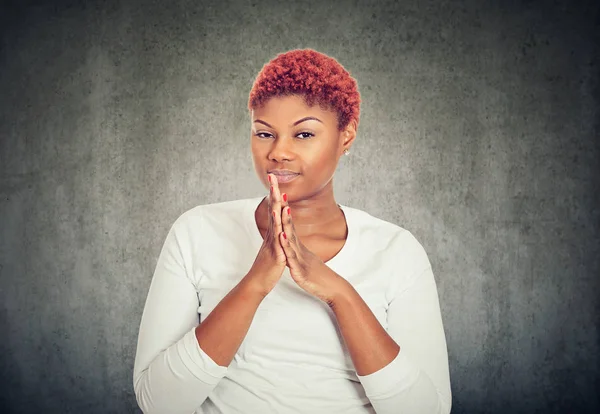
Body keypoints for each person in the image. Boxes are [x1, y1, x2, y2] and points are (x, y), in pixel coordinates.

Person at [133, 49, 451, 414]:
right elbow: (157, 403)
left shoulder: (396, 251)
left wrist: (337, 292)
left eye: (303, 134)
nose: (279, 152)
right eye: (264, 133)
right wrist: (254, 283)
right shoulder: (196, 232)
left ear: (345, 137)